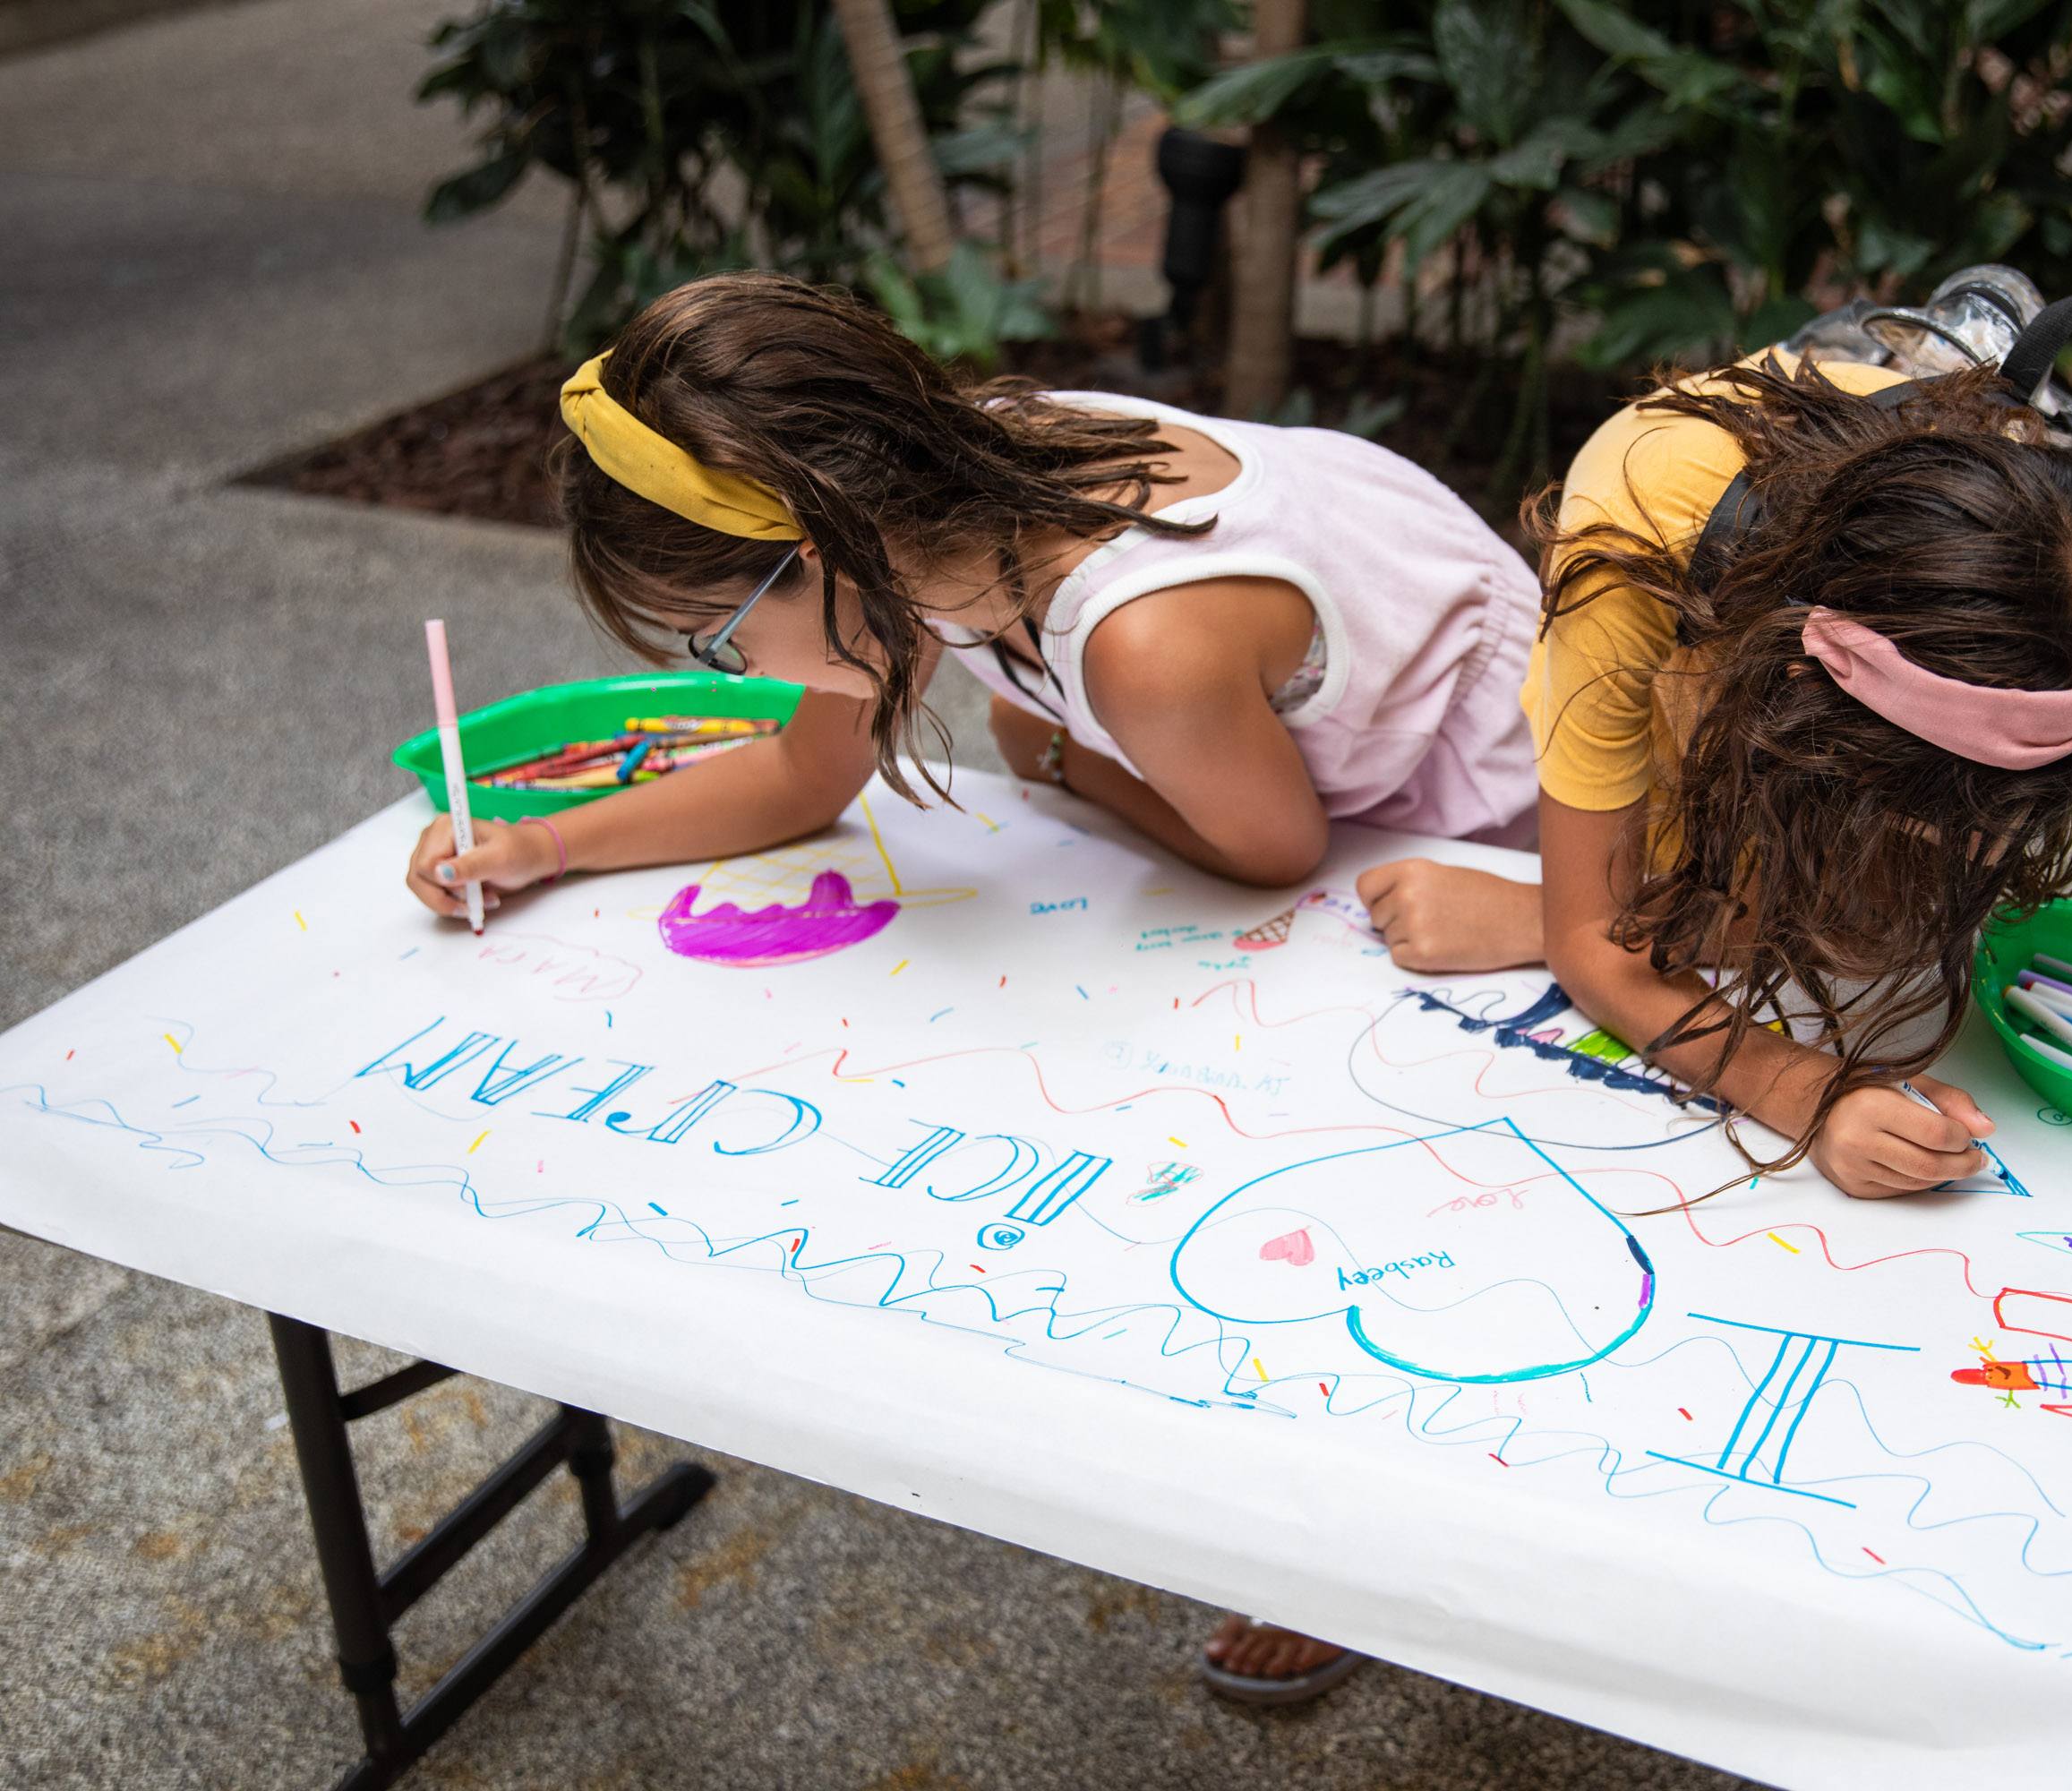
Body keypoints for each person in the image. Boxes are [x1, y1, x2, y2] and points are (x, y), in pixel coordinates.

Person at [400, 270, 1545, 1702]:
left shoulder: (1141, 646)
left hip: (1484, 806)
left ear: (819, 559)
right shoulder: (921, 478)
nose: (729, 672)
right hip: (1272, 738)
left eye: (718, 639)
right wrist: (544, 842)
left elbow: (1271, 853)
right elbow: (807, 774)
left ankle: (1378, 1544)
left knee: (1353, 1179)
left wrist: (1061, 759)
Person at [1352, 348, 2072, 1200]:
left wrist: (1570, 926)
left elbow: (1879, 904)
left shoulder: (2062, 570)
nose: (1974, 849)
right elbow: (1596, 944)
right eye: (1941, 819)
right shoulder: (1634, 531)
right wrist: (1808, 1091)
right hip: (1704, 699)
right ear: (1812, 714)